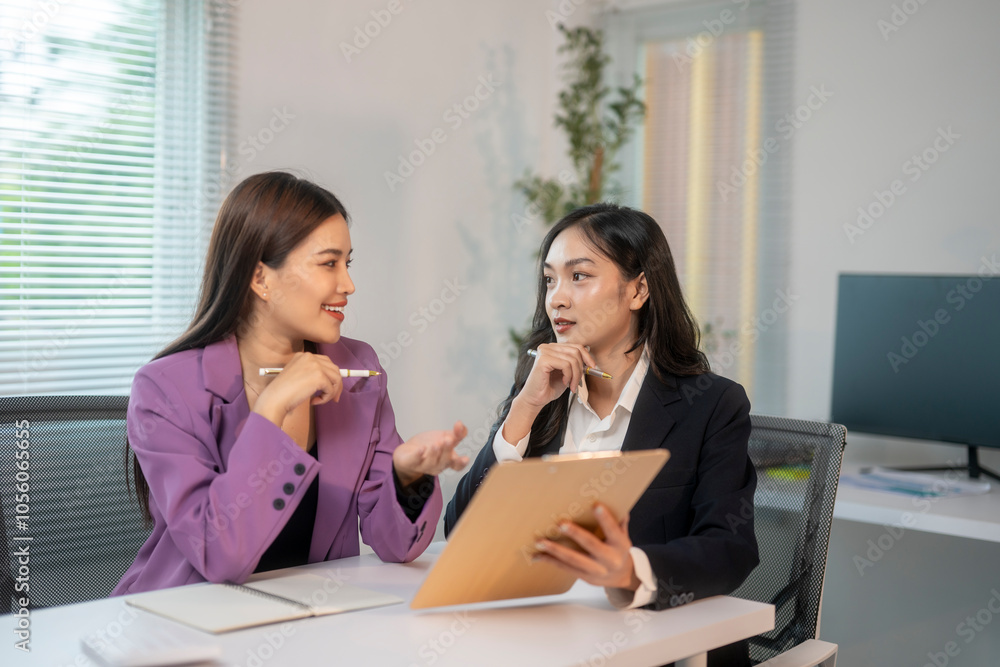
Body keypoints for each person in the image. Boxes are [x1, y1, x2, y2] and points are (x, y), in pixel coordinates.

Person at [114, 172, 468, 595]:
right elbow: (218, 553)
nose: (348, 285)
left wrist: (407, 478)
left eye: (347, 263)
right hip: (186, 620)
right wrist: (271, 411)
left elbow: (396, 545)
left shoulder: (358, 369)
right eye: (328, 263)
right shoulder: (165, 390)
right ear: (261, 278)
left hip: (309, 618)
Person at [445, 203, 758, 667]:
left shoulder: (713, 405)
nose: (556, 299)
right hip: (543, 639)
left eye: (579, 276)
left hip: (656, 647)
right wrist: (525, 409)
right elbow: (460, 535)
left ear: (638, 290)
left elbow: (730, 548)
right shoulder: (539, 394)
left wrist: (629, 570)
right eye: (550, 280)